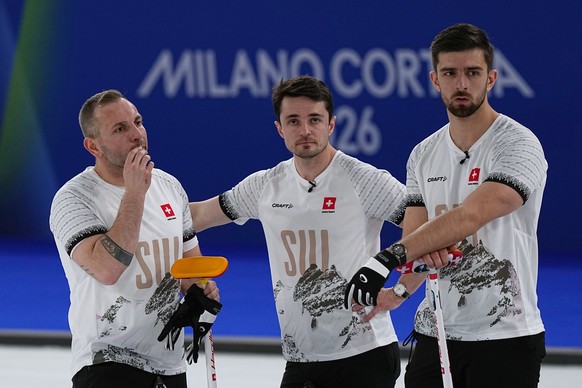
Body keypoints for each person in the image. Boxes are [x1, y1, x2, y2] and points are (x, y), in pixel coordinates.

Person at [345, 23, 547, 388]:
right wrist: (400, 292)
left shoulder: (520, 145)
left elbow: (472, 214)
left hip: (507, 334)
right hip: (435, 331)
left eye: (473, 73)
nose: (462, 83)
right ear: (435, 80)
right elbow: (416, 239)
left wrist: (384, 259)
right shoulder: (422, 154)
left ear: (492, 78)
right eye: (450, 73)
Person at [189, 75, 407, 387]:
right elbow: (198, 215)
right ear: (279, 128)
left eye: (314, 119)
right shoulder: (265, 185)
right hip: (301, 360)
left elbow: (427, 227)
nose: (305, 130)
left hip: (365, 356)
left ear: (331, 124)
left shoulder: (365, 181)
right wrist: (142, 210)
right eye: (293, 121)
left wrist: (401, 291)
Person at [49, 89, 219, 388]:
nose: (137, 134)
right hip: (106, 362)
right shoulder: (73, 199)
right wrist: (135, 192)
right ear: (93, 147)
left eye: (138, 122)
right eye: (120, 129)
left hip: (168, 363)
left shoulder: (169, 186)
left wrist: (201, 291)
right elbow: (106, 268)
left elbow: (191, 271)